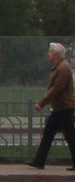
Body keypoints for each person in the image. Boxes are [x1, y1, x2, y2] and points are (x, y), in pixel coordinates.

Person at [29, 42, 75, 170]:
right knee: (50, 133)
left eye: (50, 51)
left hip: (64, 107)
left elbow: (56, 89)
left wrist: (41, 103)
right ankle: (39, 161)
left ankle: (39, 161)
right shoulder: (60, 66)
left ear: (57, 54)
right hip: (61, 107)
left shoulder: (63, 68)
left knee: (69, 136)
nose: (48, 54)